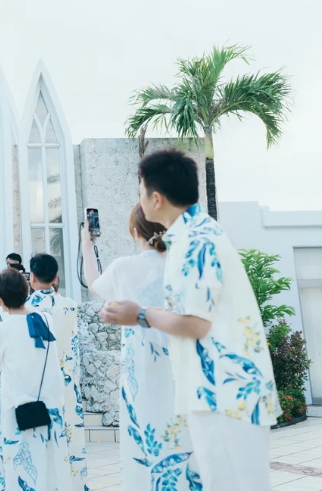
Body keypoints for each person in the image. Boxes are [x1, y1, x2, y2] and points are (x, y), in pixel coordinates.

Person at [101, 149, 280, 491]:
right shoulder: (194, 234)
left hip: (224, 391)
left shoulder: (195, 240)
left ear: (156, 198)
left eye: (141, 192)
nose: (140, 199)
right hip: (218, 390)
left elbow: (196, 324)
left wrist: (138, 314)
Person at [84, 204, 202, 490]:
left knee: (146, 436)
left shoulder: (124, 267)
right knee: (185, 433)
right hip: (184, 361)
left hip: (142, 367)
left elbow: (94, 284)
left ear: (135, 232)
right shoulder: (186, 267)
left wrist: (87, 244)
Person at [0, 269, 72, 491]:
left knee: (19, 463)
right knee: (49, 462)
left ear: (1, 298)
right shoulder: (45, 319)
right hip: (49, 402)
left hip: (19, 405)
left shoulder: (2, 328)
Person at [26, 253, 88, 486]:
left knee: (37, 441)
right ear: (55, 277)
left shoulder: (25, 308)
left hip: (37, 383)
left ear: (32, 277)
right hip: (66, 381)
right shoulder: (69, 305)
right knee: (69, 437)